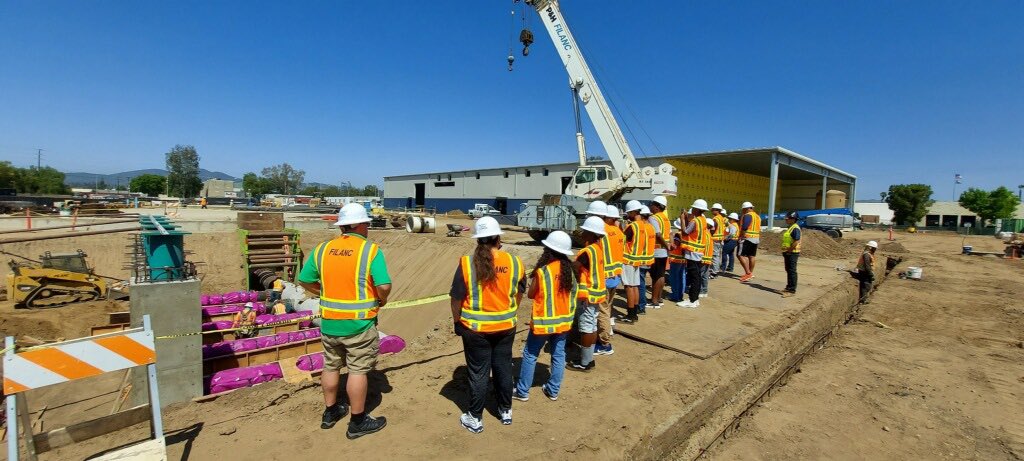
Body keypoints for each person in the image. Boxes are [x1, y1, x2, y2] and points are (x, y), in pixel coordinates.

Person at [298, 203, 390, 439]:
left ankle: (330, 413)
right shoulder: (370, 250)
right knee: (358, 370)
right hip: (359, 324)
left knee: (331, 366)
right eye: (367, 223)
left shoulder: (323, 249)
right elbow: (384, 286)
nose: (368, 227)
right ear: (359, 224)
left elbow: (304, 279)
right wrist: (381, 300)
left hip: (329, 323)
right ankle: (357, 421)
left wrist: (323, 293)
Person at [449, 216, 526, 433]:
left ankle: (475, 417)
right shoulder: (514, 262)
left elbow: (456, 298)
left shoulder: (467, 263)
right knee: (502, 367)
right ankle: (505, 410)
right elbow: (520, 292)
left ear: (478, 240)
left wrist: (457, 321)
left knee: (478, 373)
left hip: (475, 330)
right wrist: (509, 312)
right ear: (498, 238)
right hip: (506, 327)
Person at [513, 231, 577, 402]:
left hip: (543, 323)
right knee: (558, 354)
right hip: (563, 322)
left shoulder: (543, 272)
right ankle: (553, 390)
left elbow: (531, 294)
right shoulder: (570, 271)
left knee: (530, 354)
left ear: (548, 250)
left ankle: (522, 391)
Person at [569, 216, 607, 372]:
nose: (582, 233)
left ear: (592, 233)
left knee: (586, 327)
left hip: (587, 295)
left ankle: (584, 363)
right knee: (591, 326)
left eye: (585, 231)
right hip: (596, 293)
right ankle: (588, 359)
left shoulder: (587, 251)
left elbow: (576, 267)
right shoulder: (598, 249)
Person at [596, 204, 624, 356]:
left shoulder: (603, 231)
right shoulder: (618, 232)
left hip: (604, 276)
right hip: (615, 275)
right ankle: (607, 332)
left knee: (602, 311)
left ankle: (605, 344)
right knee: (608, 308)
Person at [619, 200, 650, 323]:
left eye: (628, 212)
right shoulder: (642, 224)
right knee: (635, 286)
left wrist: (620, 228)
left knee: (629, 287)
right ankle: (635, 312)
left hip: (628, 259)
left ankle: (630, 315)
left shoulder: (632, 226)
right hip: (636, 259)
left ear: (633, 212)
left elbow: (622, 239)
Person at [677, 199, 709, 308]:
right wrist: (686, 216)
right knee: (696, 276)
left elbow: (686, 231)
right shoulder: (703, 220)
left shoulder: (695, 221)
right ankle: (694, 299)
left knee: (694, 276)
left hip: (693, 251)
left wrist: (682, 219)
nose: (692, 210)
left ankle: (692, 300)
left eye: (694, 208)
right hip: (698, 251)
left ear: (697, 209)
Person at [646, 196, 674, 309]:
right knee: (661, 275)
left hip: (657, 250)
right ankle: (659, 298)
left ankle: (654, 301)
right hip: (663, 250)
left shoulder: (654, 218)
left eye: (652, 204)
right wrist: (669, 245)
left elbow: (657, 234)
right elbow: (670, 233)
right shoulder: (665, 218)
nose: (650, 206)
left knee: (656, 275)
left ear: (657, 207)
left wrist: (666, 245)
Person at [635, 206, 657, 314]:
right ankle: (641, 305)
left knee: (640, 284)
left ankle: (641, 306)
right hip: (649, 259)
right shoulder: (651, 227)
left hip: (641, 260)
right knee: (641, 283)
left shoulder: (641, 228)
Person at [737, 201, 762, 283]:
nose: (742, 211)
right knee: (751, 256)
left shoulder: (748, 215)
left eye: (743, 209)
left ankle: (748, 273)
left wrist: (742, 236)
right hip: (755, 238)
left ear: (746, 209)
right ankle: (750, 273)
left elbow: (745, 226)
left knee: (740, 255)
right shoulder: (757, 216)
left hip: (747, 238)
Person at [780, 211, 801, 297]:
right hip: (788, 252)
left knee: (792, 271)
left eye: (788, 218)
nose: (786, 219)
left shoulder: (795, 228)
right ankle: (788, 287)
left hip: (792, 253)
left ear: (793, 219)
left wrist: (789, 250)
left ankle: (792, 290)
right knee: (788, 270)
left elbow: (796, 241)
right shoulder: (791, 227)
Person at [667, 219, 686, 303]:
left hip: (676, 260)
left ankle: (675, 296)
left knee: (675, 278)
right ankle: (680, 295)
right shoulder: (685, 235)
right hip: (682, 260)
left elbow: (674, 246)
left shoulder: (678, 235)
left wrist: (670, 238)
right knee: (682, 277)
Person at [709, 204, 727, 279]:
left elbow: (713, 229)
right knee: (717, 256)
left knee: (714, 256)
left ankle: (714, 272)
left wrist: (710, 234)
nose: (712, 211)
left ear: (717, 210)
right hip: (720, 239)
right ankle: (715, 270)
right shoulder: (721, 218)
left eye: (713, 209)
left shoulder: (716, 219)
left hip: (715, 239)